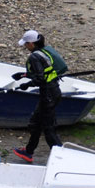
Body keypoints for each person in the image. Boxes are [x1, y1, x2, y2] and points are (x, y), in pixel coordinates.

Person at [12, 30, 65, 163]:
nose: (25, 47)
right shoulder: (43, 53)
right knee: (35, 123)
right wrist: (23, 75)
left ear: (31, 44)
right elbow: (44, 71)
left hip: (48, 95)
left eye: (26, 44)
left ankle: (62, 159)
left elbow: (40, 79)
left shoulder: (34, 57)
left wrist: (26, 85)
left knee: (48, 129)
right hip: (52, 93)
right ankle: (28, 152)